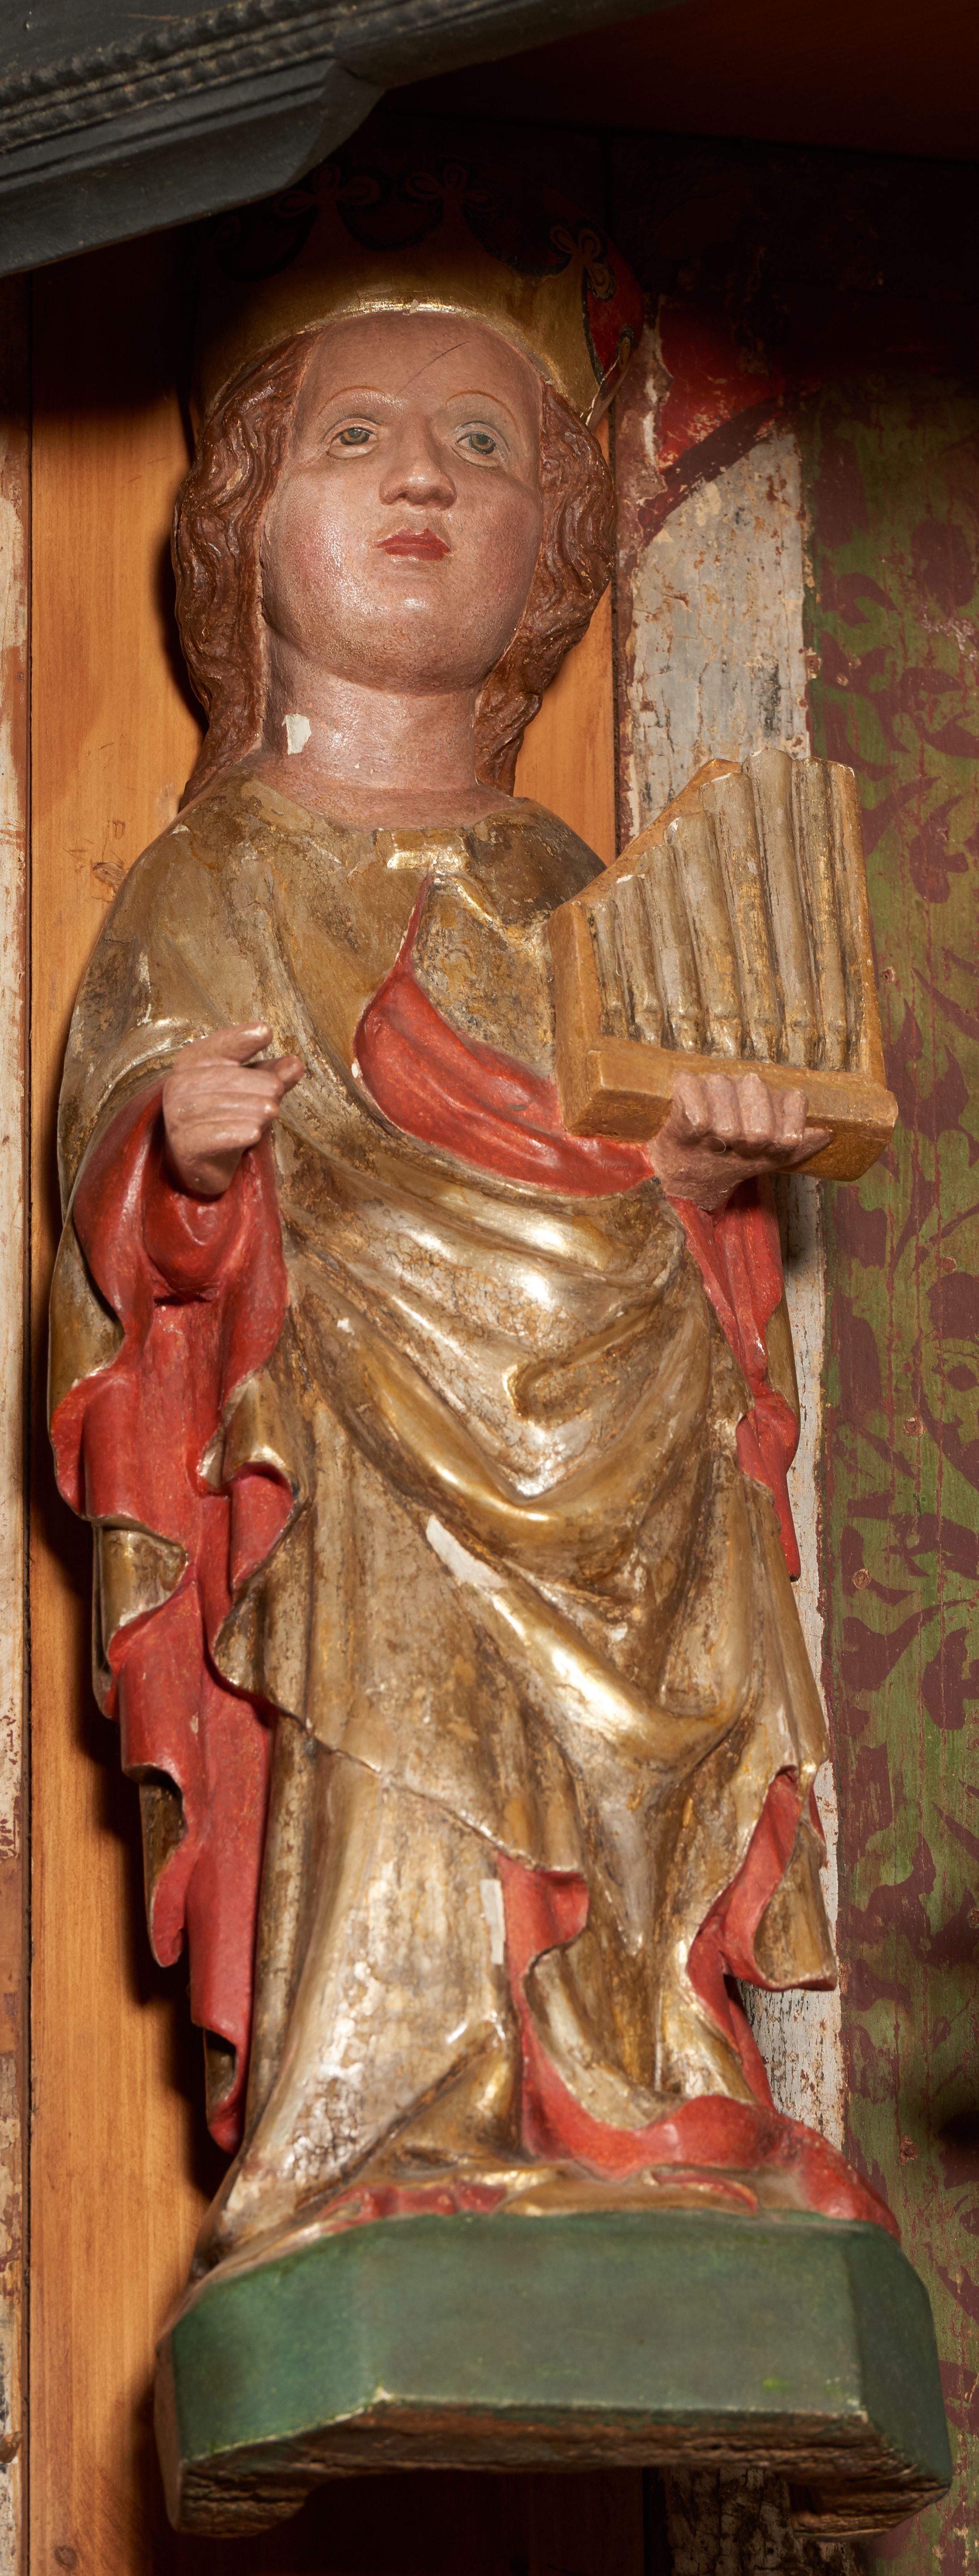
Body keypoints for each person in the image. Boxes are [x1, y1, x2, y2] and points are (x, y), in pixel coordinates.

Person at [50, 145, 891, 2279]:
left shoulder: (559, 887)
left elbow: (645, 1190)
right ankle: (380, 2109)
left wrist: (697, 1175)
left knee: (670, 1591)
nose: (422, 478)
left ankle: (631, 2062)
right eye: (355, 439)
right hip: (358, 1443)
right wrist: (186, 1158)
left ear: (554, 555)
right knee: (374, 1670)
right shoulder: (220, 872)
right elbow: (125, 1192)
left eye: (484, 447)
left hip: (613, 1460)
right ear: (248, 527)